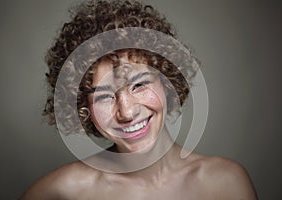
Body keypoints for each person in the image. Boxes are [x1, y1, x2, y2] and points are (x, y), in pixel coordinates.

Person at [20, 0, 257, 199]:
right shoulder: (63, 192)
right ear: (84, 107)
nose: (127, 112)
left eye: (139, 85)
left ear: (167, 82)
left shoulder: (226, 183)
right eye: (104, 96)